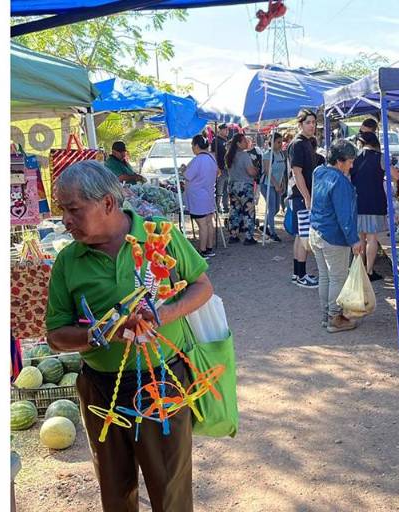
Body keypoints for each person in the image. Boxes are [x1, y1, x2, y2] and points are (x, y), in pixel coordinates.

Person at [45, 160, 214, 511]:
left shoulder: (159, 235)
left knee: (170, 491)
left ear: (107, 203)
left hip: (161, 383)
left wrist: (162, 314)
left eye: (73, 209)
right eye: (63, 210)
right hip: (100, 386)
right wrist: (101, 333)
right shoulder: (68, 261)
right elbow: (56, 335)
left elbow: (201, 286)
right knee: (115, 489)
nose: (65, 221)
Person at [309, 139, 363, 332]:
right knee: (337, 277)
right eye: (349, 161)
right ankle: (335, 318)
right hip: (333, 236)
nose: (352, 165)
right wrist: (354, 240)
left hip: (316, 231)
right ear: (340, 161)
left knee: (325, 276)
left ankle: (326, 315)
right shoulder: (340, 181)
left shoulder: (319, 172)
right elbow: (344, 216)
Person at [351, 132, 395, 282]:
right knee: (372, 238)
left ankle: (359, 269)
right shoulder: (380, 157)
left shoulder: (354, 158)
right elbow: (394, 175)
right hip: (375, 201)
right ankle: (369, 271)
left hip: (357, 201)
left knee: (360, 237)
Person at [288, 108, 320, 288]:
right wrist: (307, 197)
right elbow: (297, 172)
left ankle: (297, 273)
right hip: (301, 197)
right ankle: (301, 276)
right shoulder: (298, 144)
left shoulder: (307, 142)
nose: (312, 126)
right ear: (300, 124)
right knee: (303, 236)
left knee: (300, 236)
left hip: (303, 196)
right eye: (308, 122)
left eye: (314, 123)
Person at [185, 134, 217, 259]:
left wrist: (184, 169)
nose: (192, 148)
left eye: (192, 146)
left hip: (198, 196)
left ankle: (202, 251)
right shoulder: (211, 158)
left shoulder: (198, 160)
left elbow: (188, 175)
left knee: (202, 224)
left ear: (196, 146)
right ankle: (209, 248)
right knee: (209, 223)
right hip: (208, 194)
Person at [225, 133, 259, 245]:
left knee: (234, 210)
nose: (247, 142)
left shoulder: (229, 155)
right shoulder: (244, 155)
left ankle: (233, 235)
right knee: (248, 211)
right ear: (238, 144)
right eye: (244, 141)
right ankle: (249, 237)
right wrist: (256, 171)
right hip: (244, 186)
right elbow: (250, 171)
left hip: (232, 185)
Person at [261, 132, 287, 242]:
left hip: (278, 185)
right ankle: (272, 232)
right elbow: (267, 171)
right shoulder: (268, 154)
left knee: (276, 208)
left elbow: (283, 171)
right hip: (267, 185)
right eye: (278, 142)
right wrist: (276, 184)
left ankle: (265, 225)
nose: (281, 144)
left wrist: (283, 183)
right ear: (272, 143)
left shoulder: (281, 154)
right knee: (272, 208)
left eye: (281, 142)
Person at [211, 123, 230, 213]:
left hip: (228, 169)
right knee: (219, 190)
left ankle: (226, 206)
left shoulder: (227, 140)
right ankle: (217, 207)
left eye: (227, 129)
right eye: (225, 129)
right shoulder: (216, 140)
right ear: (220, 130)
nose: (227, 131)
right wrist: (216, 167)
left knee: (226, 189)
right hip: (220, 168)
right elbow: (214, 154)